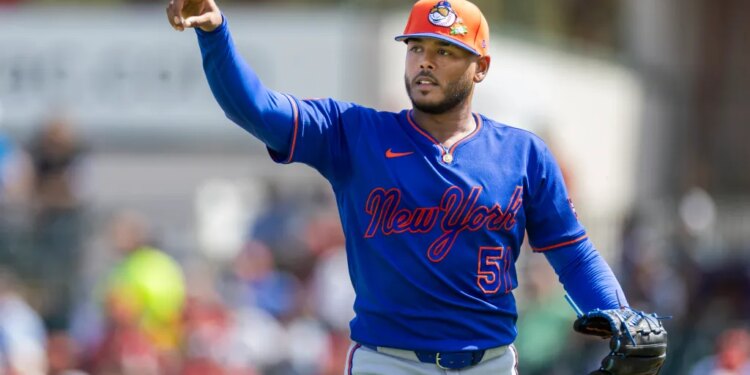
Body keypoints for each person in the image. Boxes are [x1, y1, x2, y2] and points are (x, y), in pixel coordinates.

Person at [166, 0, 666, 373]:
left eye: (446, 51)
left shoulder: (523, 153)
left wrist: (616, 314)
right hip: (388, 362)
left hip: (488, 362)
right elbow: (254, 108)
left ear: (481, 67)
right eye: (417, 47)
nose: (425, 61)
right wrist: (214, 31)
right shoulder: (355, 134)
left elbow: (572, 252)